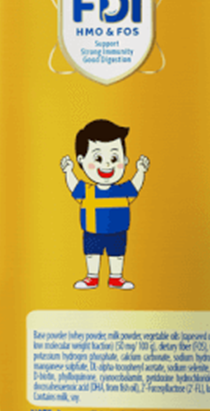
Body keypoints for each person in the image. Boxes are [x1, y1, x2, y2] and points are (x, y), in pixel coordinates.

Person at [59, 119, 149, 290]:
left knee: (117, 255)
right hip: (92, 230)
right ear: (81, 160)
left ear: (125, 159)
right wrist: (68, 171)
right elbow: (74, 186)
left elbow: (135, 186)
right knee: (92, 254)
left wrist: (141, 171)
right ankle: (92, 277)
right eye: (98, 158)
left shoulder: (122, 190)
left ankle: (116, 278)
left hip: (118, 231)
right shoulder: (87, 191)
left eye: (114, 158)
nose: (107, 165)